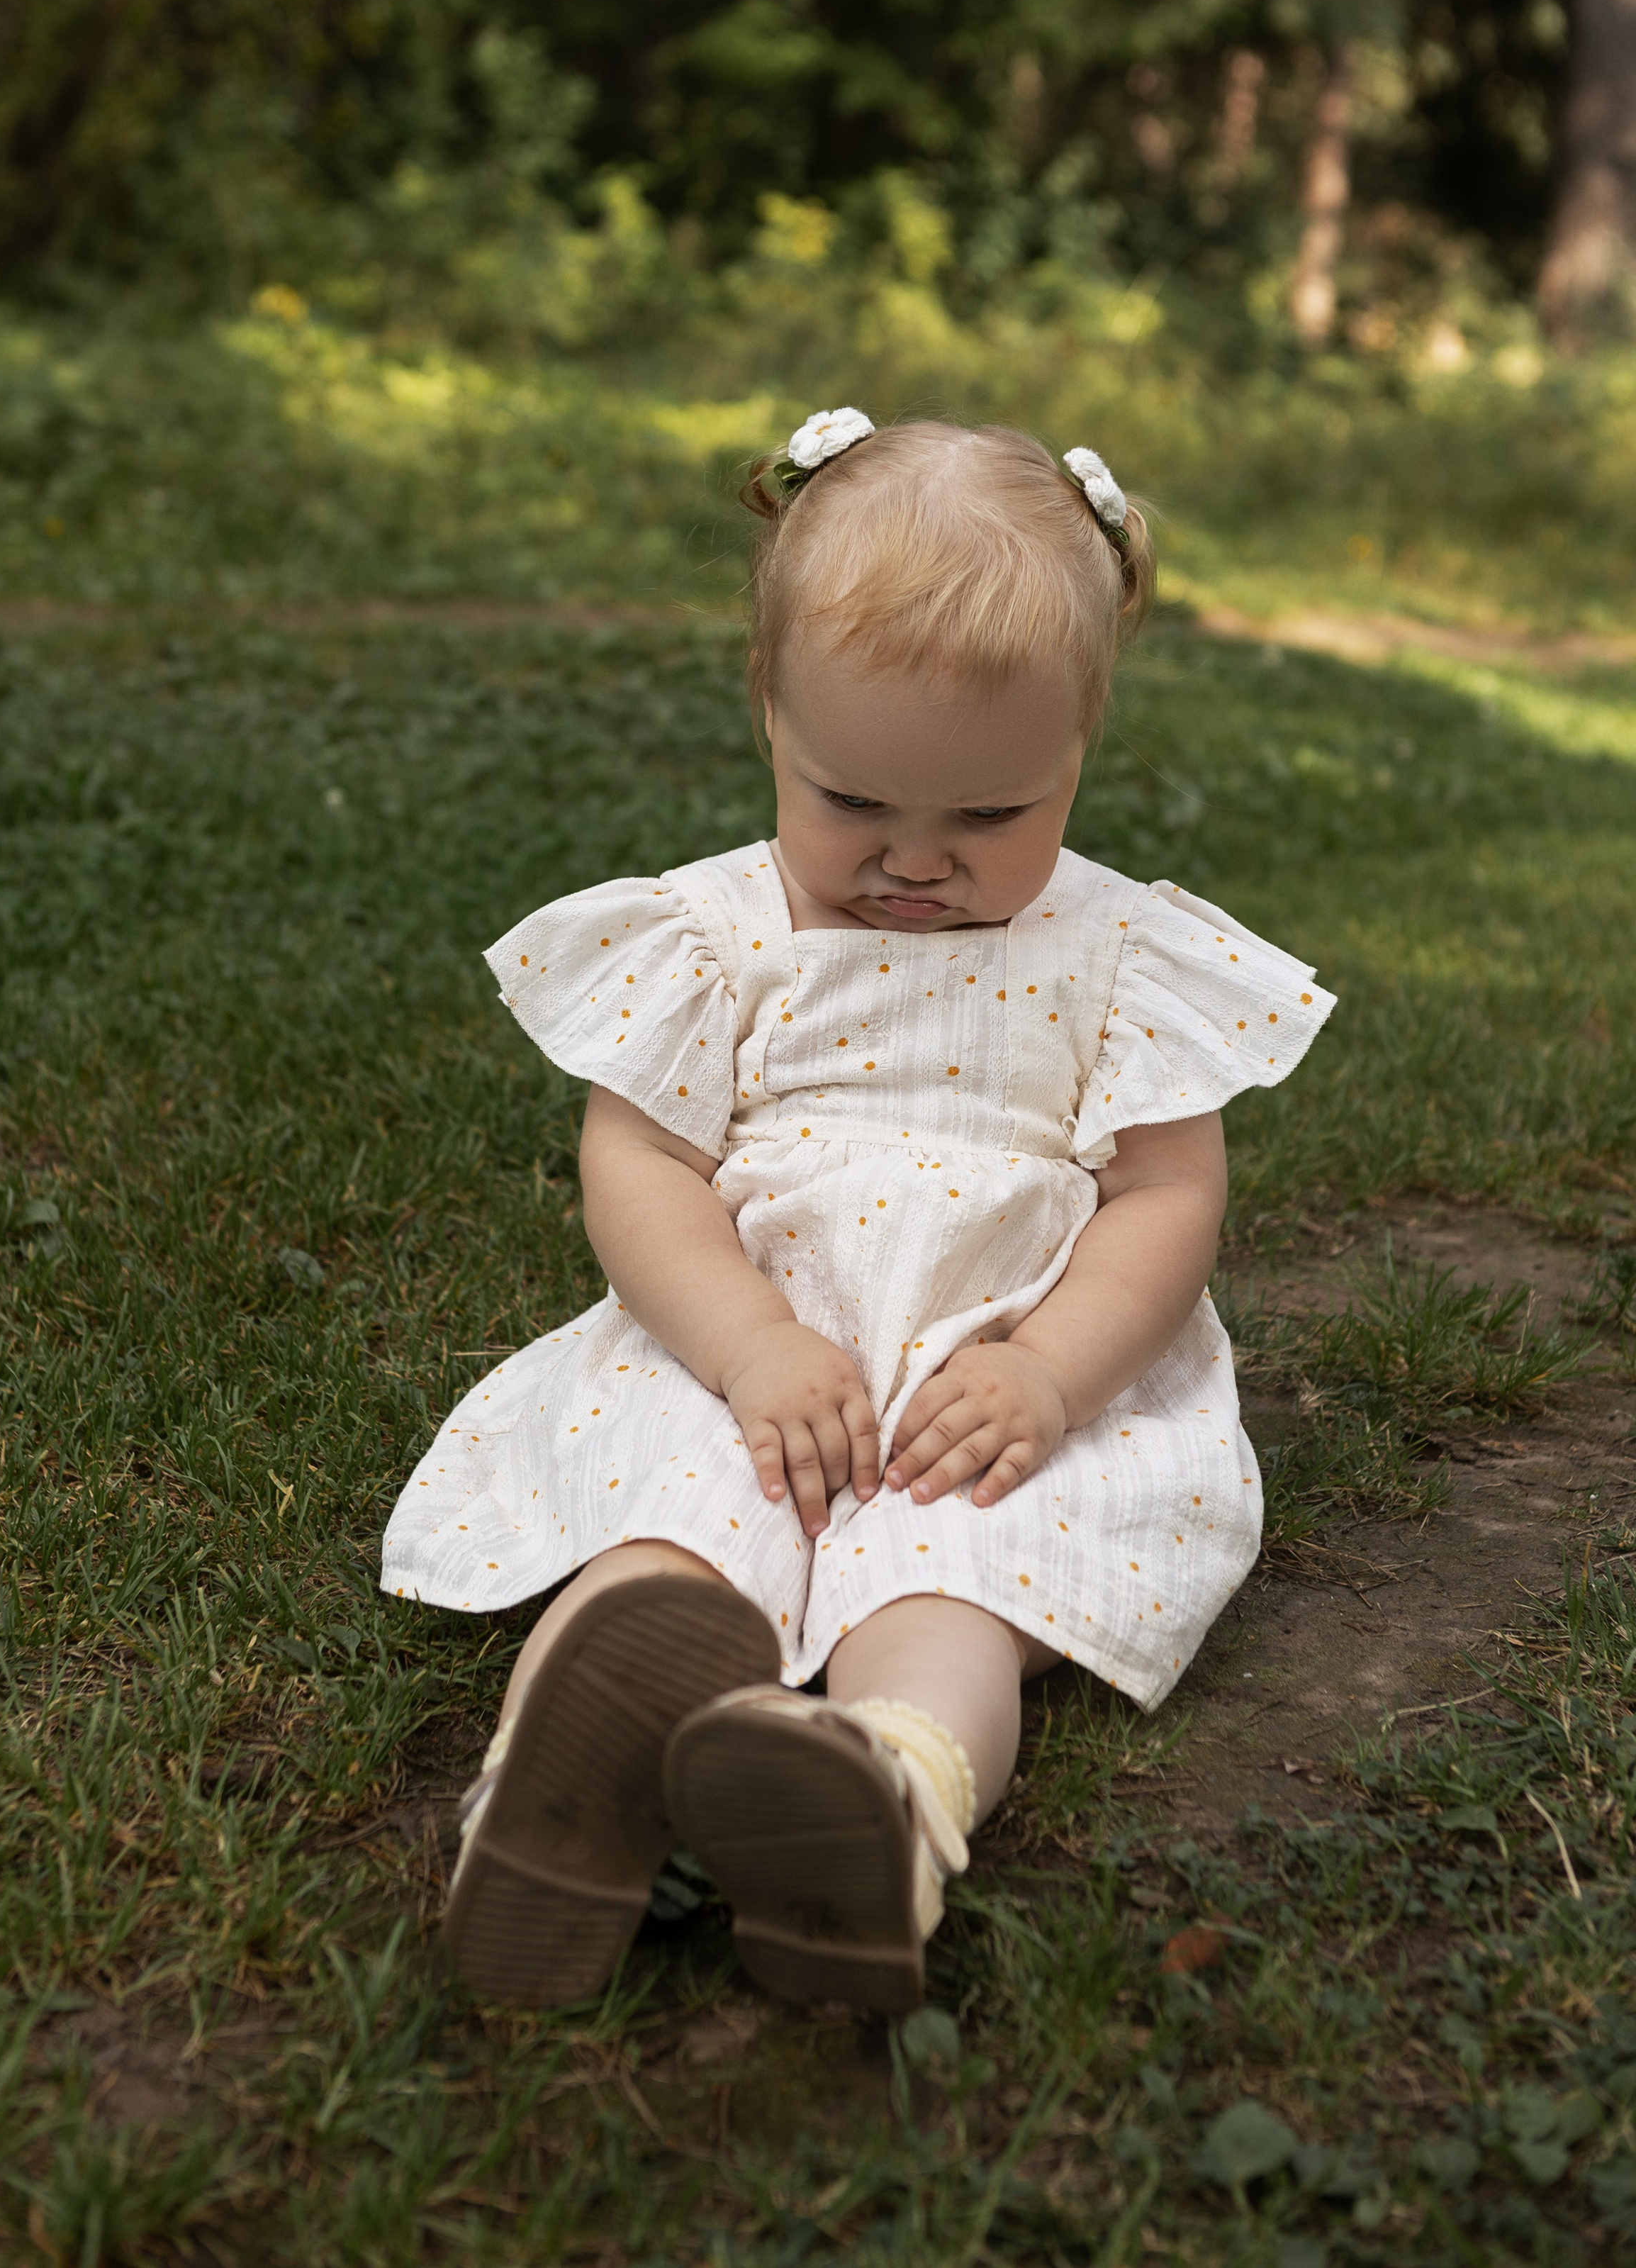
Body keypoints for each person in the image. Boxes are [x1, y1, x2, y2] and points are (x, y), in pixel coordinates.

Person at [380, 410, 1334, 2013]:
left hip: (992, 1375)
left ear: (1078, 748)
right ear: (767, 714)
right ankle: (551, 1796)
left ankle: (881, 1795)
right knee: (668, 1532)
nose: (913, 865)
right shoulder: (709, 935)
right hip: (748, 1356)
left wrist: (1050, 1376)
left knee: (956, 1587)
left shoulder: (1116, 954)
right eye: (854, 804)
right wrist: (749, 1346)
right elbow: (640, 1168)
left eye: (986, 818)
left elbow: (1165, 1201)